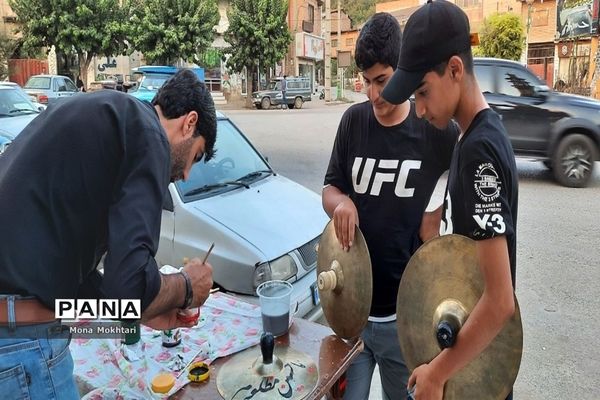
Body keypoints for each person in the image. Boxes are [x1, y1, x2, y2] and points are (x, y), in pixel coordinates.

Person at [0, 69, 217, 399]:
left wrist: (144, 310)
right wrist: (186, 286)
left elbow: (89, 287)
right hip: (25, 345)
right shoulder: (149, 135)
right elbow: (127, 287)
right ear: (189, 122)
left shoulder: (105, 117)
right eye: (195, 155)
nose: (186, 174)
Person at [381, 1, 518, 399]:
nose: (419, 110)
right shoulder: (480, 133)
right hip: (480, 358)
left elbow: (499, 300)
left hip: (480, 364)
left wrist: (437, 374)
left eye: (423, 92)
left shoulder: (479, 152)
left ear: (455, 69)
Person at [322, 13, 459, 400]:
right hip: (352, 313)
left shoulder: (434, 130)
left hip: (406, 321)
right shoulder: (353, 122)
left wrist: (436, 210)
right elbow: (329, 189)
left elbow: (460, 176)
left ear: (402, 74)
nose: (372, 94)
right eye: (365, 82)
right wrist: (341, 202)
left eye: (382, 81)